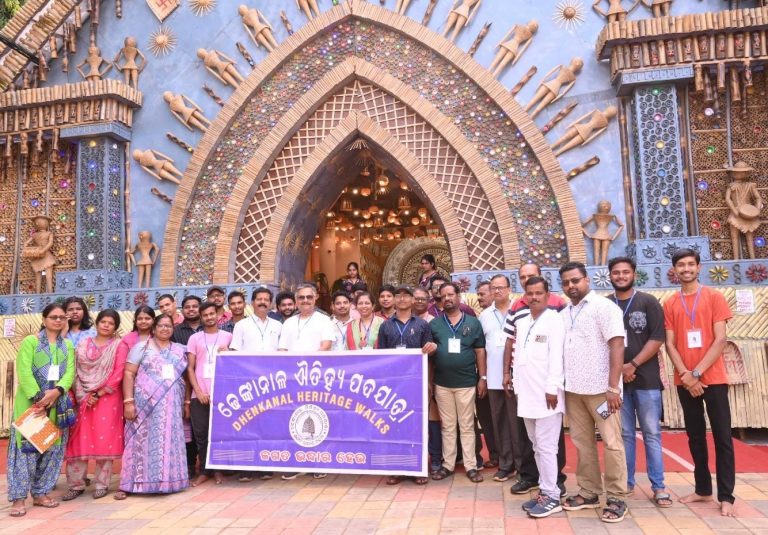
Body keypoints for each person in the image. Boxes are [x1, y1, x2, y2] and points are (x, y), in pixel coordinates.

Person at [663, 249, 735, 517]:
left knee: (722, 437)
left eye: (690, 264)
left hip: (712, 378)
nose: (686, 269)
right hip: (685, 381)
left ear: (699, 267)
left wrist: (697, 372)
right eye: (680, 265)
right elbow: (670, 343)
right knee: (695, 436)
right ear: (675, 270)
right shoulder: (670, 303)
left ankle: (726, 496)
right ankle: (703, 489)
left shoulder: (714, 297)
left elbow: (720, 340)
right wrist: (685, 374)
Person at [558, 262, 628, 523]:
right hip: (574, 390)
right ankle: (589, 492)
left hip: (602, 390)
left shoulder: (604, 307)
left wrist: (613, 386)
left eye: (575, 280)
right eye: (566, 282)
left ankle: (617, 496)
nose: (571, 286)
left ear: (587, 280)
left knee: (611, 443)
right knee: (582, 443)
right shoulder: (565, 313)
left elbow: (617, 346)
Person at [608, 257, 670, 507]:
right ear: (609, 276)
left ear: (634, 274)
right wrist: (619, 372)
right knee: (624, 434)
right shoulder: (605, 305)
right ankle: (627, 482)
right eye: (616, 272)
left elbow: (657, 338)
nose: (621, 276)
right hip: (618, 383)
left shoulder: (648, 302)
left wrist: (631, 365)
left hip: (646, 379)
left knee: (652, 434)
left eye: (625, 272)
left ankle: (659, 486)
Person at [503, 264, 568, 496]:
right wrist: (513, 382)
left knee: (548, 447)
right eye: (530, 293)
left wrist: (552, 388)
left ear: (547, 295)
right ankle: (544, 487)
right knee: (536, 446)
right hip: (526, 395)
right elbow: (517, 356)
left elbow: (557, 357)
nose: (534, 297)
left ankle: (551, 494)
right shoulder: (522, 321)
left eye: (539, 293)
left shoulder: (555, 319)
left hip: (547, 396)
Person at [7, 303, 75, 517]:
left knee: (51, 450)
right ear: (44, 319)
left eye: (62, 317)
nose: (58, 320)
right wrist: (40, 399)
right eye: (54, 317)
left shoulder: (68, 346)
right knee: (25, 451)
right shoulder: (31, 342)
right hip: (31, 406)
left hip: (56, 405)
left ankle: (40, 493)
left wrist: (57, 392)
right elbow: (24, 371)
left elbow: (70, 372)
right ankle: (18, 498)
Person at [115, 314, 189, 499]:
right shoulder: (141, 347)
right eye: (161, 326)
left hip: (171, 407)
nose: (165, 329)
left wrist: (186, 402)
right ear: (154, 328)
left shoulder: (179, 351)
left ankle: (168, 482)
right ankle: (130, 484)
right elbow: (129, 374)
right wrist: (128, 402)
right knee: (138, 442)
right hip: (144, 406)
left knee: (168, 442)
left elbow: (186, 378)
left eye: (168, 326)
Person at [63, 309, 126, 501]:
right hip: (83, 398)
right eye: (103, 322)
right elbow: (74, 370)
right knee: (78, 439)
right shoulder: (83, 344)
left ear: (115, 327)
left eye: (111, 323)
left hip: (108, 398)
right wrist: (84, 394)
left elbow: (119, 372)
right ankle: (76, 484)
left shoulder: (118, 345)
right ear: (97, 323)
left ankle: (102, 483)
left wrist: (99, 393)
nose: (106, 325)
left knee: (104, 439)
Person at [377, 285, 436, 485]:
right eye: (398, 296)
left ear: (412, 300)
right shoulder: (385, 326)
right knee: (394, 424)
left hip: (416, 383)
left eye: (406, 296)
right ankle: (396, 468)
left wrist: (433, 347)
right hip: (393, 385)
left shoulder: (422, 325)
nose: (402, 299)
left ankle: (419, 469)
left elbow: (430, 352)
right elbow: (381, 358)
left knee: (416, 425)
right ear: (394, 300)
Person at [429, 282, 487, 484]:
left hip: (466, 382)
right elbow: (429, 355)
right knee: (448, 426)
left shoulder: (473, 322)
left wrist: (483, 378)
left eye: (451, 295)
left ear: (459, 297)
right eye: (443, 296)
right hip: (442, 384)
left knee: (467, 426)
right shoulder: (434, 324)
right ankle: (448, 465)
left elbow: (480, 351)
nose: (447, 299)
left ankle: (471, 466)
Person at [278, 283, 334, 480]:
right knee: (294, 418)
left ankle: (319, 462)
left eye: (309, 297)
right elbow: (282, 350)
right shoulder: (289, 323)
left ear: (316, 297)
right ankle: (296, 462)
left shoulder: (324, 320)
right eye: (301, 298)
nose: (305, 301)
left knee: (318, 417)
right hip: (293, 380)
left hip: (317, 378)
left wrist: (307, 366)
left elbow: (326, 345)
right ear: (296, 300)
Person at [187, 302, 232, 486]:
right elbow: (190, 368)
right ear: (201, 317)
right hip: (200, 394)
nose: (209, 317)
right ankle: (205, 471)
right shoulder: (195, 339)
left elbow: (235, 365)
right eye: (205, 315)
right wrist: (198, 391)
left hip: (222, 395)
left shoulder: (228, 336)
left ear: (217, 315)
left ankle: (218, 470)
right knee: (201, 434)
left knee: (220, 433)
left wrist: (229, 352)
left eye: (212, 314)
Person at [480, 274, 517, 482]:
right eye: (493, 288)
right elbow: (481, 350)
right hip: (494, 377)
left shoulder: (520, 311)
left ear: (509, 289)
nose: (497, 291)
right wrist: (483, 376)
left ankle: (522, 464)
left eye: (501, 287)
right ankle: (505, 464)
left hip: (517, 377)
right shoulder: (484, 315)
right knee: (500, 421)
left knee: (517, 422)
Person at [231, 287, 282, 353]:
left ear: (270, 304)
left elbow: (282, 350)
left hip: (272, 363)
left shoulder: (278, 325)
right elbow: (235, 351)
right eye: (259, 299)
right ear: (252, 303)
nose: (262, 302)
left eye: (266, 300)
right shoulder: (241, 325)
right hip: (248, 363)